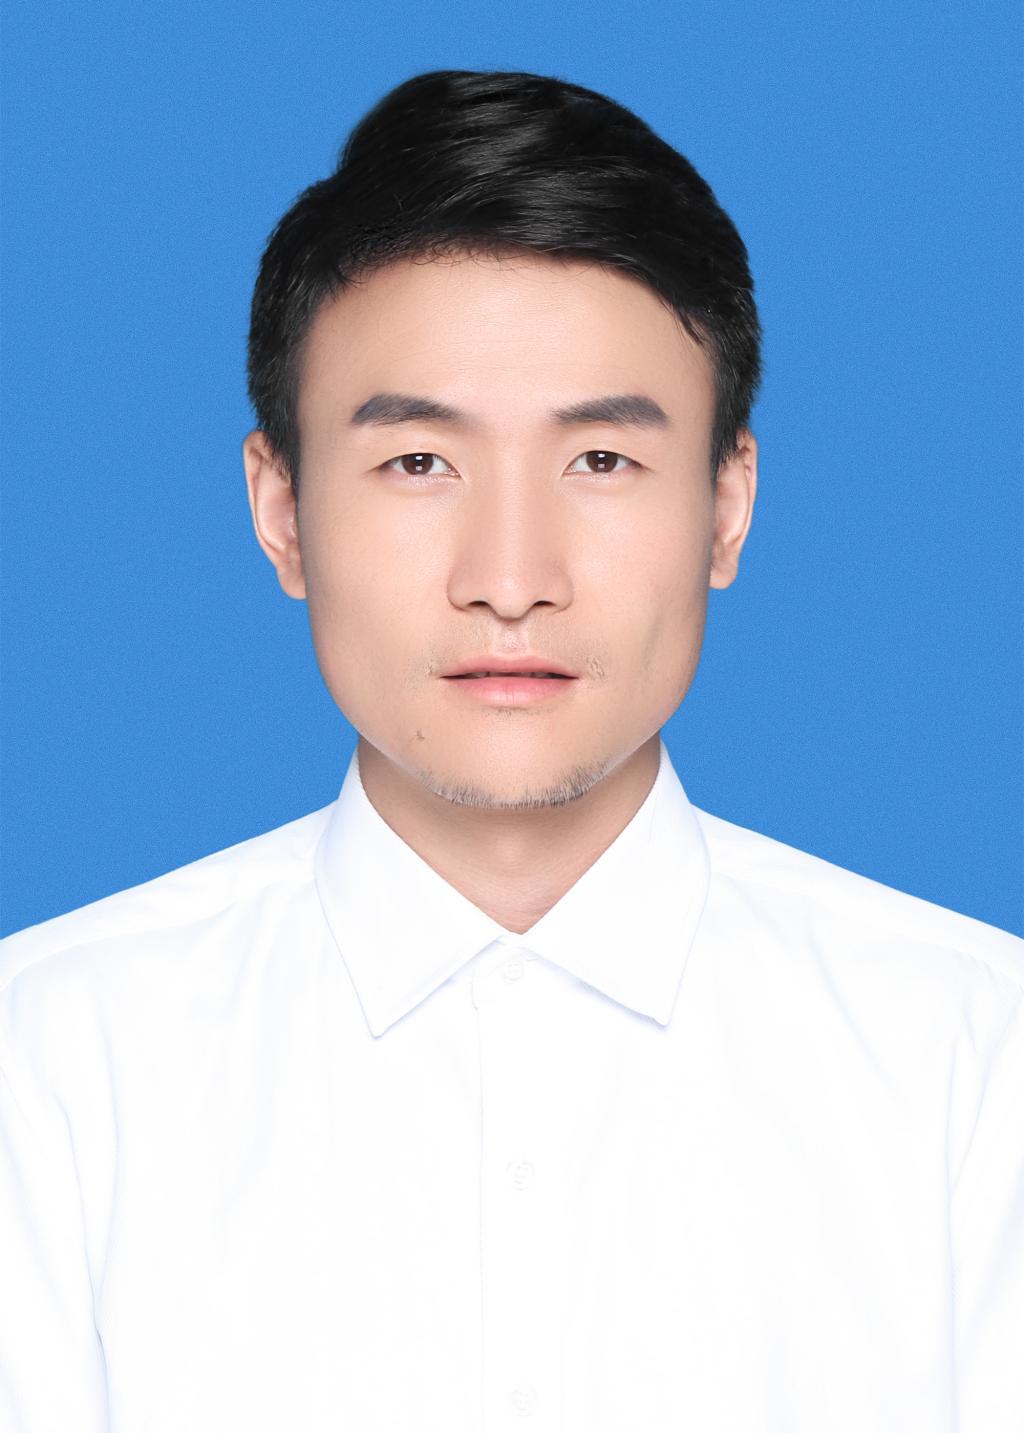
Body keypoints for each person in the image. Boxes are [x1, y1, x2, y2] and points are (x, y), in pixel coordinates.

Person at [1, 68, 1020, 1433]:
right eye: (419, 462)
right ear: (281, 510)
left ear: (728, 504)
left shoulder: (977, 1057)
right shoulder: (48, 1063)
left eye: (601, 461)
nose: (510, 579)